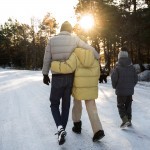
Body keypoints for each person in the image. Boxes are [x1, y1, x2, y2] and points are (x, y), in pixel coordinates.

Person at [42, 21, 99, 145]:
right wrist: (97, 55)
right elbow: (88, 48)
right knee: (66, 105)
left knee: (54, 104)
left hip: (57, 77)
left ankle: (60, 127)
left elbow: (47, 58)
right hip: (69, 77)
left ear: (61, 29)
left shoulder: (52, 40)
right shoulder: (74, 39)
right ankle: (62, 128)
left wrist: (45, 74)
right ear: (70, 30)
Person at [51, 47, 105, 142]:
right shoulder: (94, 54)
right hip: (91, 86)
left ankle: (77, 125)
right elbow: (98, 72)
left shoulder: (76, 53)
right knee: (92, 108)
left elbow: (68, 67)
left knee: (77, 105)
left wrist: (53, 64)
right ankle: (98, 130)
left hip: (78, 85)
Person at [111, 47, 138, 128]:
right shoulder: (132, 67)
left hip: (120, 91)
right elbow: (135, 79)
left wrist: (115, 86)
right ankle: (129, 120)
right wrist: (130, 86)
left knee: (120, 105)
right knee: (128, 105)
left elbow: (114, 78)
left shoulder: (117, 67)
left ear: (119, 57)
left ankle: (125, 120)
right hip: (129, 91)